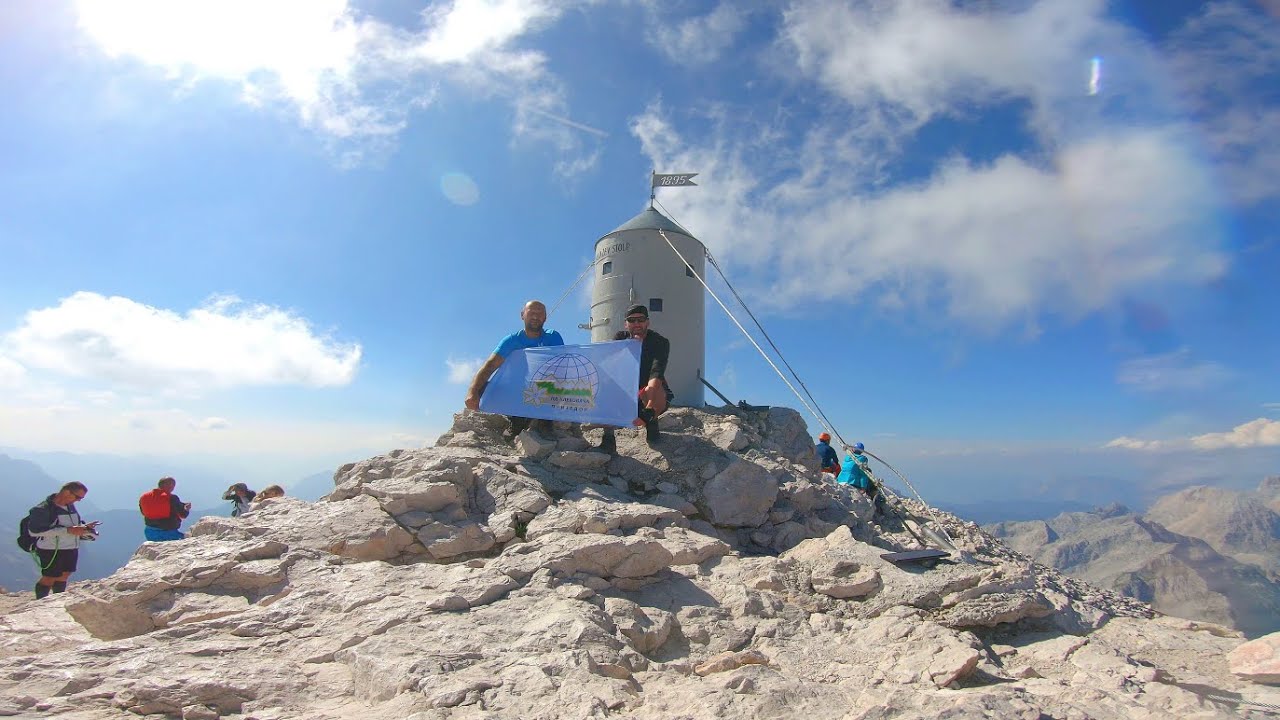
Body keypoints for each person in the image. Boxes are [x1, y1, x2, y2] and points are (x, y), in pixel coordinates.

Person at [465, 300, 565, 438]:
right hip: (517, 390)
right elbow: (490, 365)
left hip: (544, 389)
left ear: (545, 318)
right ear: (522, 315)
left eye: (540, 313)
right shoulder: (511, 341)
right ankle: (515, 420)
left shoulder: (553, 337)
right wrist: (472, 391)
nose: (535, 316)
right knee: (482, 388)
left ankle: (544, 422)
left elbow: (561, 366)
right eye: (531, 312)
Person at [598, 304, 673, 452]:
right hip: (626, 391)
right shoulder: (620, 339)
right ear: (626, 324)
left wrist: (649, 409)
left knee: (652, 390)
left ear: (647, 322)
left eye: (641, 319)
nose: (637, 323)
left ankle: (651, 422)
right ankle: (608, 438)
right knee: (604, 387)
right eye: (632, 320)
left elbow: (656, 372)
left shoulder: (660, 342)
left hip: (647, 391)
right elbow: (608, 365)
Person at [25, 482, 98, 599]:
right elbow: (35, 531)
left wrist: (84, 527)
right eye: (77, 497)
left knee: (65, 574)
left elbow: (70, 524)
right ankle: (40, 601)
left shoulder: (70, 506)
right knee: (50, 576)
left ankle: (58, 599)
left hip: (70, 546)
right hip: (51, 548)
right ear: (67, 492)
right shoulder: (43, 509)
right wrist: (69, 530)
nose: (79, 500)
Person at [837, 442, 885, 514]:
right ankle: (878, 507)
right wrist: (863, 487)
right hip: (852, 481)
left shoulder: (848, 457)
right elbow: (863, 474)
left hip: (841, 479)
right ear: (862, 451)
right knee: (873, 488)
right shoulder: (862, 459)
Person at [140, 477, 192, 542]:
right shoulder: (172, 498)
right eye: (173, 485)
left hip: (150, 532)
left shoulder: (144, 497)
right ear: (170, 486)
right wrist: (186, 509)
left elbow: (143, 512)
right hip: (169, 533)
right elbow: (183, 515)